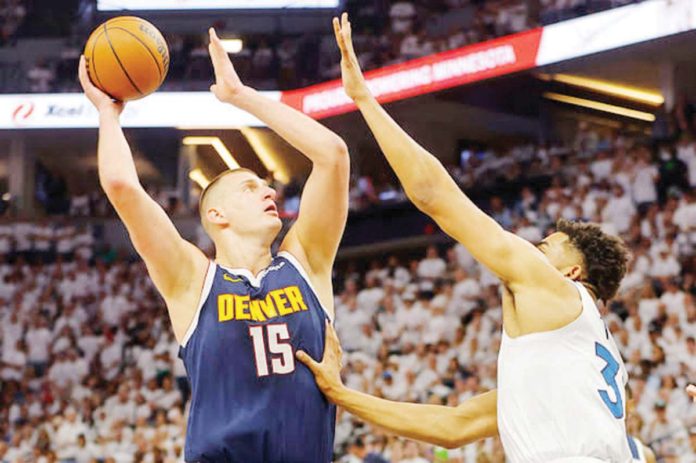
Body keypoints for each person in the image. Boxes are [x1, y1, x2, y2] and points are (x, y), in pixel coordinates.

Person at [298, 13, 632, 462]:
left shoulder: (555, 290)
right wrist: (340, 394)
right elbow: (453, 426)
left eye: (545, 247)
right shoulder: (572, 359)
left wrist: (364, 99)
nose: (532, 250)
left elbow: (435, 196)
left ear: (573, 271)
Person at [78, 27, 350, 462]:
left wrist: (240, 95)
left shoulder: (306, 263)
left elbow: (333, 155)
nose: (268, 193)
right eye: (249, 188)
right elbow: (121, 185)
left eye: (266, 187)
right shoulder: (192, 280)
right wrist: (107, 113)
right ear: (215, 216)